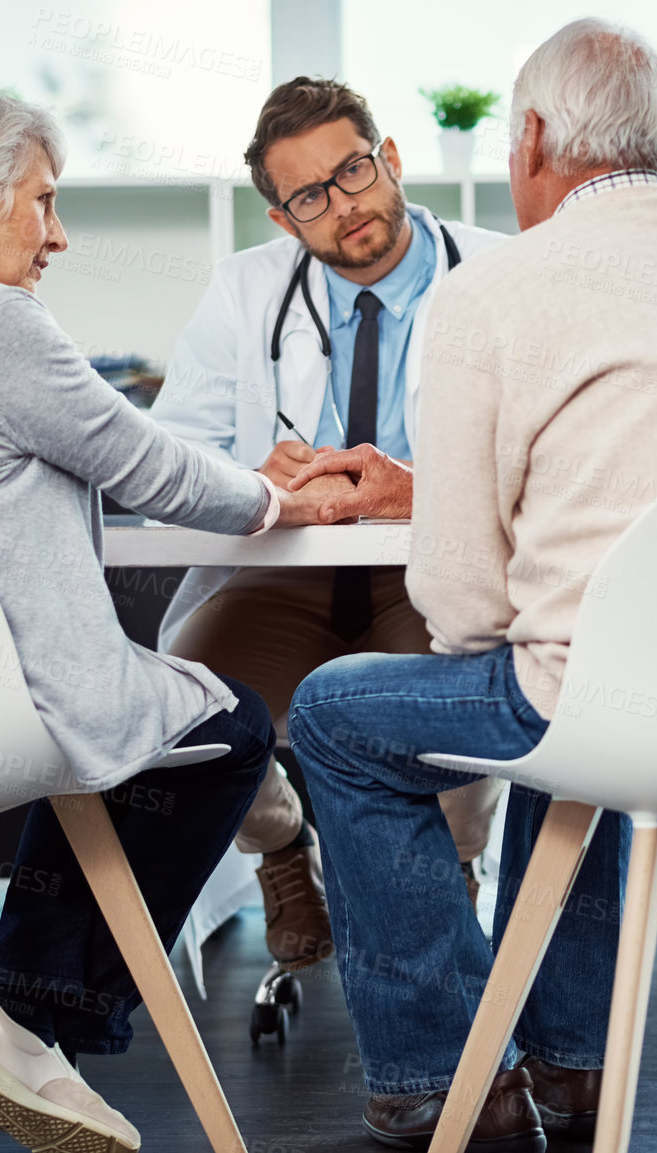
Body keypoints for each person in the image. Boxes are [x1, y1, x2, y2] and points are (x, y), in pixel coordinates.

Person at [286, 18, 657, 1150]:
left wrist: (456, 509)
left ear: (535, 136)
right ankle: (576, 1061)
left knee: (343, 711)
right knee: (577, 683)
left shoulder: (496, 289)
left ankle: (448, 1078)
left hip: (612, 703)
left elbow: (458, 608)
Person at [0, 86, 346, 1153]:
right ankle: (24, 1020)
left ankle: (21, 1018)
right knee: (219, 729)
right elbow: (142, 464)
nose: (59, 233)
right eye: (42, 202)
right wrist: (282, 497)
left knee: (117, 733)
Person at [148, 77, 508, 973]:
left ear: (389, 159)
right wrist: (241, 476)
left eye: (351, 172)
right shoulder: (243, 292)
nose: (342, 206)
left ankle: (454, 875)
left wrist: (413, 487)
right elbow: (170, 457)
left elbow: (545, 460)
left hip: (429, 567)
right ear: (282, 219)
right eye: (309, 195)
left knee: (463, 694)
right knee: (177, 709)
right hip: (282, 571)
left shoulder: (500, 278)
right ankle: (278, 846)